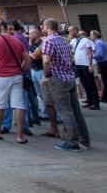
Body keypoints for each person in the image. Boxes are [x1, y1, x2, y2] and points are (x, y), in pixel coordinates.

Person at [42, 18, 90, 151]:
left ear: (47, 27)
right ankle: (84, 139)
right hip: (69, 77)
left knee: (65, 111)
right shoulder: (63, 40)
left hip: (58, 78)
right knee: (75, 110)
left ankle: (72, 141)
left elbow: (46, 61)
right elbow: (70, 56)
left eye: (43, 26)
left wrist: (47, 73)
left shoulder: (48, 41)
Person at [0, 17, 30, 143]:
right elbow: (27, 59)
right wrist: (21, 70)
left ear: (1, 27)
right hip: (16, 76)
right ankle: (20, 136)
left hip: (1, 76)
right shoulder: (17, 41)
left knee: (0, 104)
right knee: (18, 104)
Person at [70, 26, 99, 110]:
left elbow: (90, 53)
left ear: (76, 31)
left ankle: (95, 103)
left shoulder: (86, 40)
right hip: (78, 64)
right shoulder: (73, 41)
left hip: (86, 64)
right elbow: (71, 50)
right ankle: (90, 101)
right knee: (85, 84)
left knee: (91, 84)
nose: (69, 33)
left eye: (70, 31)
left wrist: (90, 65)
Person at [28, 26, 48, 120]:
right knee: (39, 93)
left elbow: (37, 56)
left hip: (41, 69)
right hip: (33, 69)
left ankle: (49, 113)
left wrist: (33, 55)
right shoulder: (31, 44)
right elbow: (31, 55)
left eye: (30, 34)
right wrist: (33, 55)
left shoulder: (43, 43)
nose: (29, 35)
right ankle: (44, 111)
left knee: (45, 92)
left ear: (35, 34)